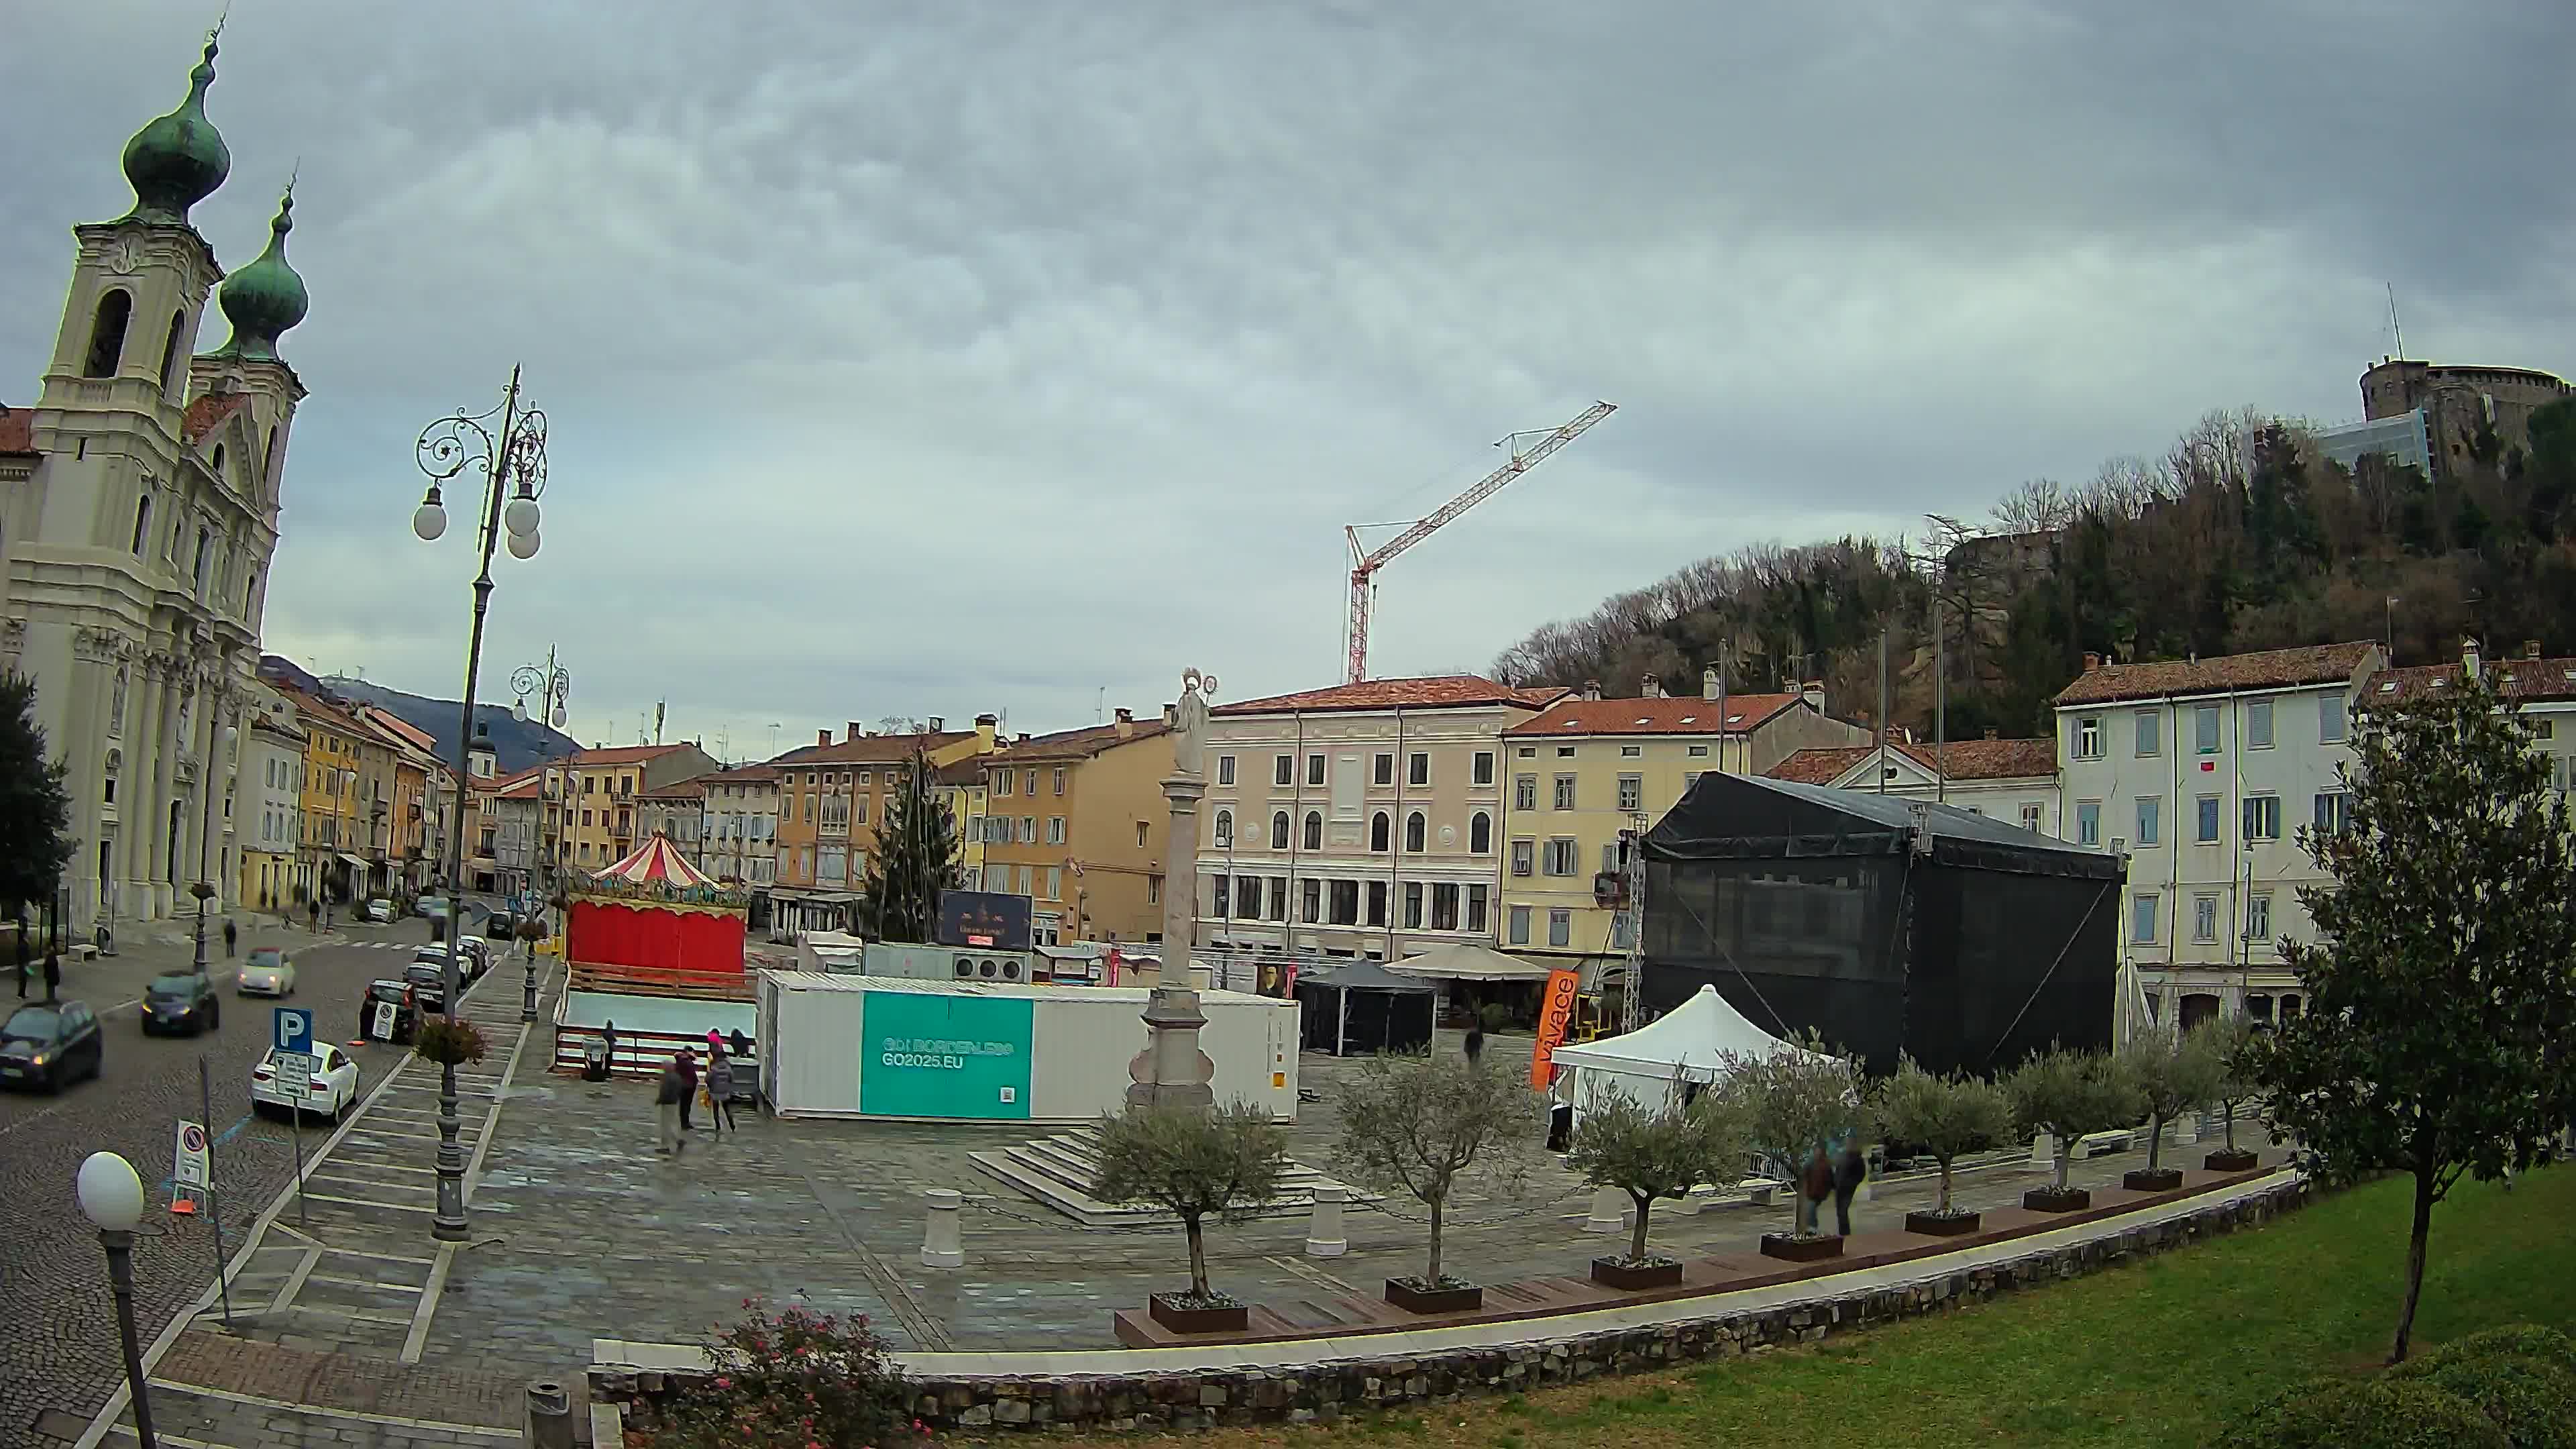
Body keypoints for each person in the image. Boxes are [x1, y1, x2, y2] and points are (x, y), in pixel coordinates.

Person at [654, 1055, 690, 1155]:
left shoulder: (667, 1078)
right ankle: (678, 1140)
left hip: (667, 1103)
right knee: (671, 1124)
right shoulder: (677, 1077)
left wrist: (659, 1100)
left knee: (665, 1125)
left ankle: (665, 1147)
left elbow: (664, 1092)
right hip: (674, 1102)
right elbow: (681, 1089)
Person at [705, 1046, 738, 1135]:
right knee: (727, 1110)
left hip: (715, 1091)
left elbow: (707, 1080)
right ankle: (732, 1125)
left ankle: (718, 1126)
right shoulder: (728, 1067)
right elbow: (731, 1079)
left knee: (716, 1110)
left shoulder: (714, 1068)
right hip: (725, 1092)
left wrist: (711, 1085)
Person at [674, 1049, 700, 1132]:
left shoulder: (681, 1061)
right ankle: (685, 1124)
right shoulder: (686, 1061)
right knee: (686, 1105)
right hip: (688, 1086)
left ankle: (685, 1123)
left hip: (684, 1086)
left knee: (684, 1105)